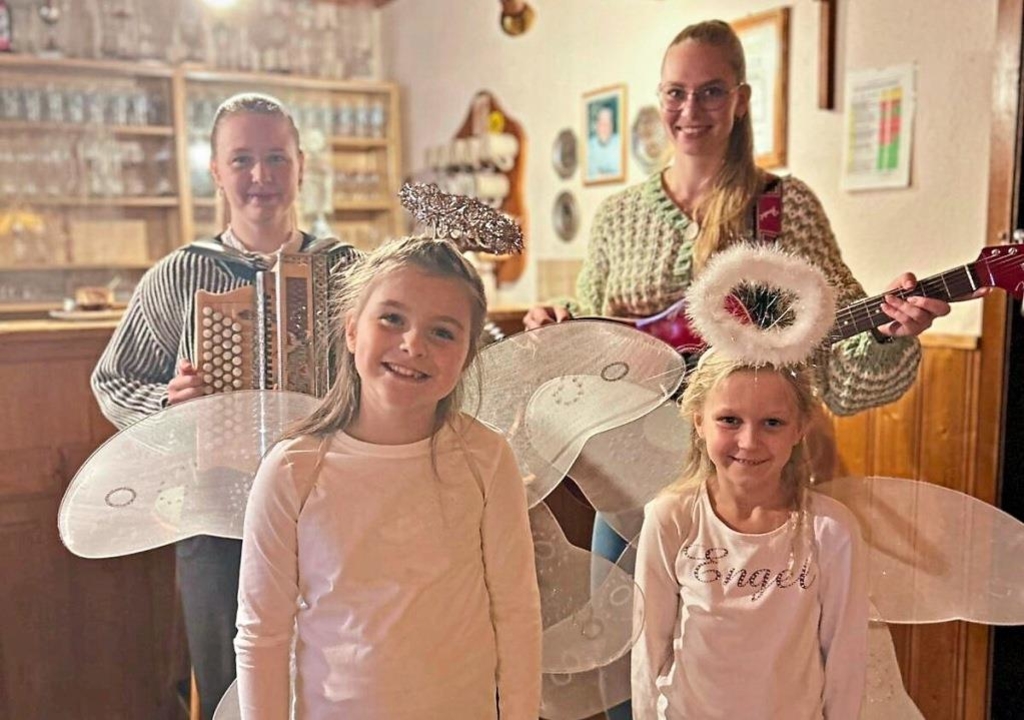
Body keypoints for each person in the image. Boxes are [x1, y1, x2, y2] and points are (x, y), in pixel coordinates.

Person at [523, 20, 950, 719]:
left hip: (757, 484)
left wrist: (888, 339)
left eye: (711, 92)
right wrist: (556, 330)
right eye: (676, 93)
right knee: (630, 667)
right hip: (629, 481)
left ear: (742, 99)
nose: (691, 112)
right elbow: (597, 342)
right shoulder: (617, 218)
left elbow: (839, 374)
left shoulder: (784, 212)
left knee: (762, 664)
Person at [234, 236, 542, 719]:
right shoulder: (293, 469)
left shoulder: (485, 459)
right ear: (353, 329)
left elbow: (517, 614)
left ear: (467, 354)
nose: (413, 344)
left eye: (443, 332)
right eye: (392, 319)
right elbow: (262, 633)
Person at [91, 92, 318, 719]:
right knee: (228, 683)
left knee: (332, 674)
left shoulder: (346, 268)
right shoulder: (179, 274)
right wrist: (169, 403)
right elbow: (113, 381)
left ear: (301, 163)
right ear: (216, 171)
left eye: (276, 157)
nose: (261, 176)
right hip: (217, 520)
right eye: (241, 159)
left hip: (328, 510)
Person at [632, 350, 868, 718]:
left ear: (800, 427)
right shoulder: (671, 518)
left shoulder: (831, 530)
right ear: (698, 421)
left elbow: (845, 659)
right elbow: (648, 649)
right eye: (729, 420)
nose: (749, 441)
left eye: (772, 423)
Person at [587, 104, 623, 180]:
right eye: (601, 122)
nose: (604, 126)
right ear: (596, 125)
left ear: (612, 125)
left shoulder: (620, 143)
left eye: (608, 122)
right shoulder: (589, 146)